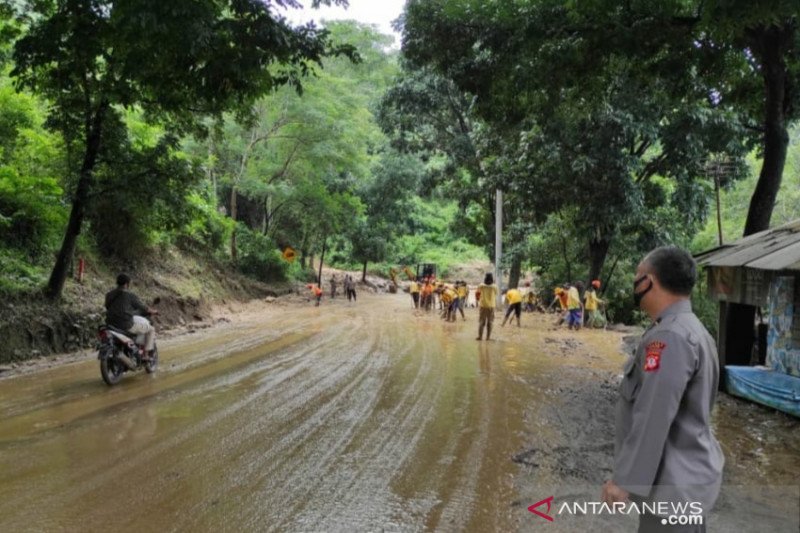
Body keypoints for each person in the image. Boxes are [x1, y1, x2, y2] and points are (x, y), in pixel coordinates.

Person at [602, 246, 723, 533]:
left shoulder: (669, 337)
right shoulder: (691, 329)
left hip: (674, 490)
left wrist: (626, 481)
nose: (634, 285)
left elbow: (654, 414)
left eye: (637, 277)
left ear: (649, 282)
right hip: (684, 485)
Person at [105, 273, 158, 360]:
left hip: (110, 324)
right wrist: (154, 311)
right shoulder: (129, 295)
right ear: (127, 284)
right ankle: (146, 355)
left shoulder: (109, 295)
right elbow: (143, 307)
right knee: (151, 329)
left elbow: (107, 307)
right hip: (125, 325)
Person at [476, 273, 498, 341]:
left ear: (485, 278)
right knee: (490, 322)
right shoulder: (494, 286)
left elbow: (477, 293)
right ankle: (488, 337)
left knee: (481, 322)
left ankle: (480, 337)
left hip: (483, 305)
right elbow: (496, 293)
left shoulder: (481, 285)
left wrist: (478, 299)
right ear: (492, 278)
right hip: (491, 306)